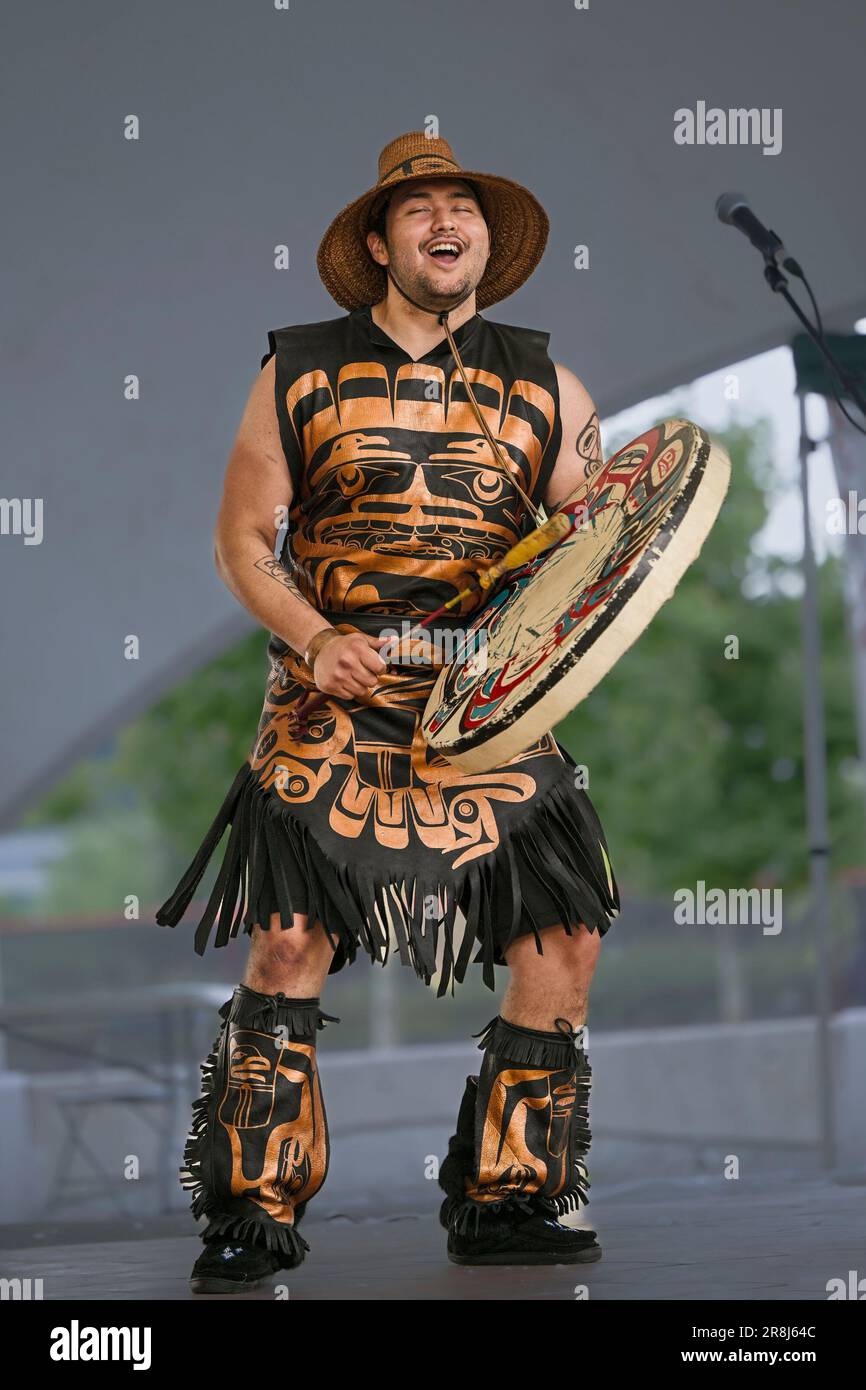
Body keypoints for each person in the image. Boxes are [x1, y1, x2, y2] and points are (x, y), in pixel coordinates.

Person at [156, 130, 620, 1293]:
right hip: (333, 691)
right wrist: (316, 639)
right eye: (418, 211)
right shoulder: (298, 369)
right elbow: (238, 543)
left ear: (484, 241)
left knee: (564, 936)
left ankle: (509, 1197)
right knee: (286, 936)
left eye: (460, 207)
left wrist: (552, 618)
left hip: (486, 699)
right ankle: (249, 1209)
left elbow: (590, 559)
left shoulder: (549, 384)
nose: (442, 224)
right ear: (378, 243)